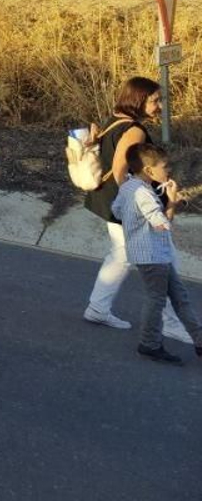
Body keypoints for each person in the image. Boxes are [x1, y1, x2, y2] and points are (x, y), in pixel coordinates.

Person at [82, 77, 191, 339]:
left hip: (108, 200)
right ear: (139, 99)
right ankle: (171, 323)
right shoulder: (135, 130)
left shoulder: (115, 118)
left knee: (121, 255)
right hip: (127, 205)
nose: (160, 106)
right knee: (162, 259)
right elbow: (120, 170)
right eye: (155, 100)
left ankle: (98, 308)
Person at [113, 143, 202, 364]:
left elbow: (116, 210)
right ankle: (149, 343)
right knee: (157, 299)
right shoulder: (143, 193)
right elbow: (162, 224)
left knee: (179, 296)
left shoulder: (128, 187)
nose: (168, 170)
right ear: (149, 170)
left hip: (154, 254)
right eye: (165, 166)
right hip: (152, 255)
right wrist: (171, 202)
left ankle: (199, 341)